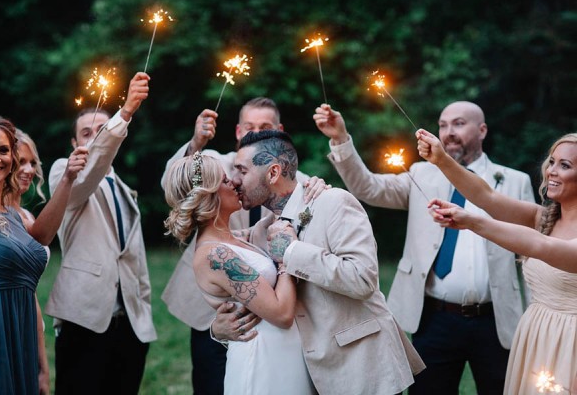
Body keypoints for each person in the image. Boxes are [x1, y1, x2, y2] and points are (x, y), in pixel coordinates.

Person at [313, 101, 535, 394]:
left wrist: (536, 317)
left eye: (458, 124)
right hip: (434, 317)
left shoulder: (514, 181)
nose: (448, 132)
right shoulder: (421, 173)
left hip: (496, 320)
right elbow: (368, 188)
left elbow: (532, 255)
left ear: (482, 130)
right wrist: (340, 140)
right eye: (442, 125)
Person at [215, 129, 425, 394]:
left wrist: (292, 251)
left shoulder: (334, 202)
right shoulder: (260, 231)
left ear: (273, 172)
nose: (234, 180)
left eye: (242, 171)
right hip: (304, 374)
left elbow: (363, 279)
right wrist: (218, 328)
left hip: (362, 367)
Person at [160, 97, 325, 394]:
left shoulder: (237, 237)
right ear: (208, 195)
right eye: (226, 181)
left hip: (282, 350)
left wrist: (317, 190)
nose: (235, 183)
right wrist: (286, 254)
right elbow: (281, 312)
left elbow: (280, 221)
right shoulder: (217, 254)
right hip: (260, 354)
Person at [418, 130, 577, 394]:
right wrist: (442, 160)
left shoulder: (541, 230)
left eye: (565, 165)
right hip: (537, 334)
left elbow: (541, 246)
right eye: (552, 162)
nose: (552, 171)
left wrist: (472, 221)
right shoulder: (545, 218)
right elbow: (487, 197)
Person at [44, 72, 157, 395]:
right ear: (74, 143)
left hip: (130, 327)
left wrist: (143, 311)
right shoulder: (63, 174)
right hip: (84, 319)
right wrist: (124, 114)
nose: (95, 137)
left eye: (102, 130)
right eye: (87, 133)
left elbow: (136, 259)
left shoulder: (122, 187)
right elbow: (87, 175)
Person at [0, 115, 85, 394]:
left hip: (20, 331)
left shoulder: (12, 215)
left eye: (3, 150)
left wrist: (69, 178)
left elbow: (43, 235)